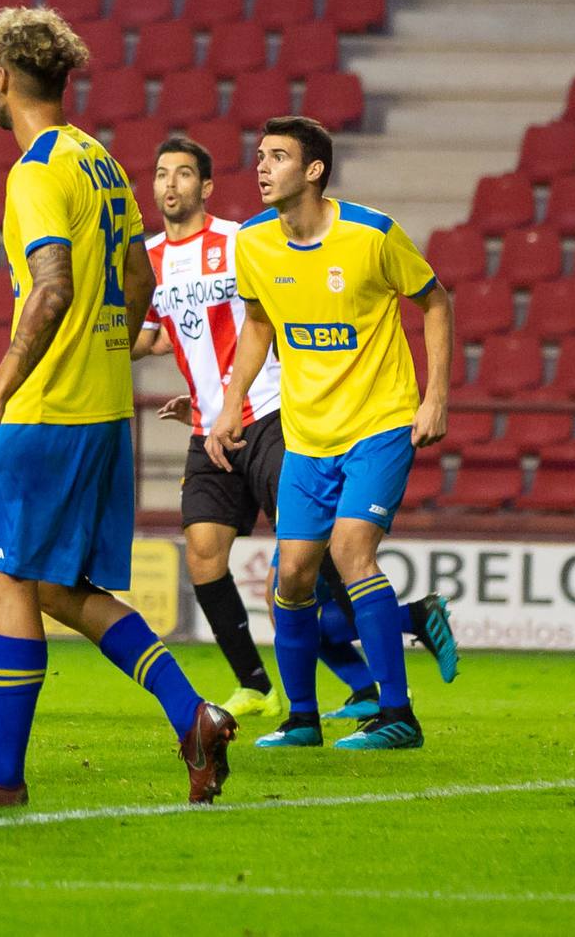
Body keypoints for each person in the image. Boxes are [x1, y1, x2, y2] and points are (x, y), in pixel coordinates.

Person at [0, 7, 233, 809]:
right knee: (58, 589)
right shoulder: (99, 160)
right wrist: (103, 349)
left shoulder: (35, 172)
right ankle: (190, 712)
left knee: (2, 578)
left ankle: (3, 774)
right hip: (101, 412)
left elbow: (50, 286)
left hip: (48, 414)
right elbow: (139, 282)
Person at [135, 136, 455, 725]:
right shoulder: (153, 258)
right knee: (207, 555)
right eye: (160, 174)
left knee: (322, 570)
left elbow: (274, 313)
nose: (170, 185)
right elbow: (163, 335)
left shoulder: (242, 239)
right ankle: (261, 688)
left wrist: (431, 395)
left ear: (205, 186)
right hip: (213, 426)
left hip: (279, 417)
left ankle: (373, 686)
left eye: (183, 173)